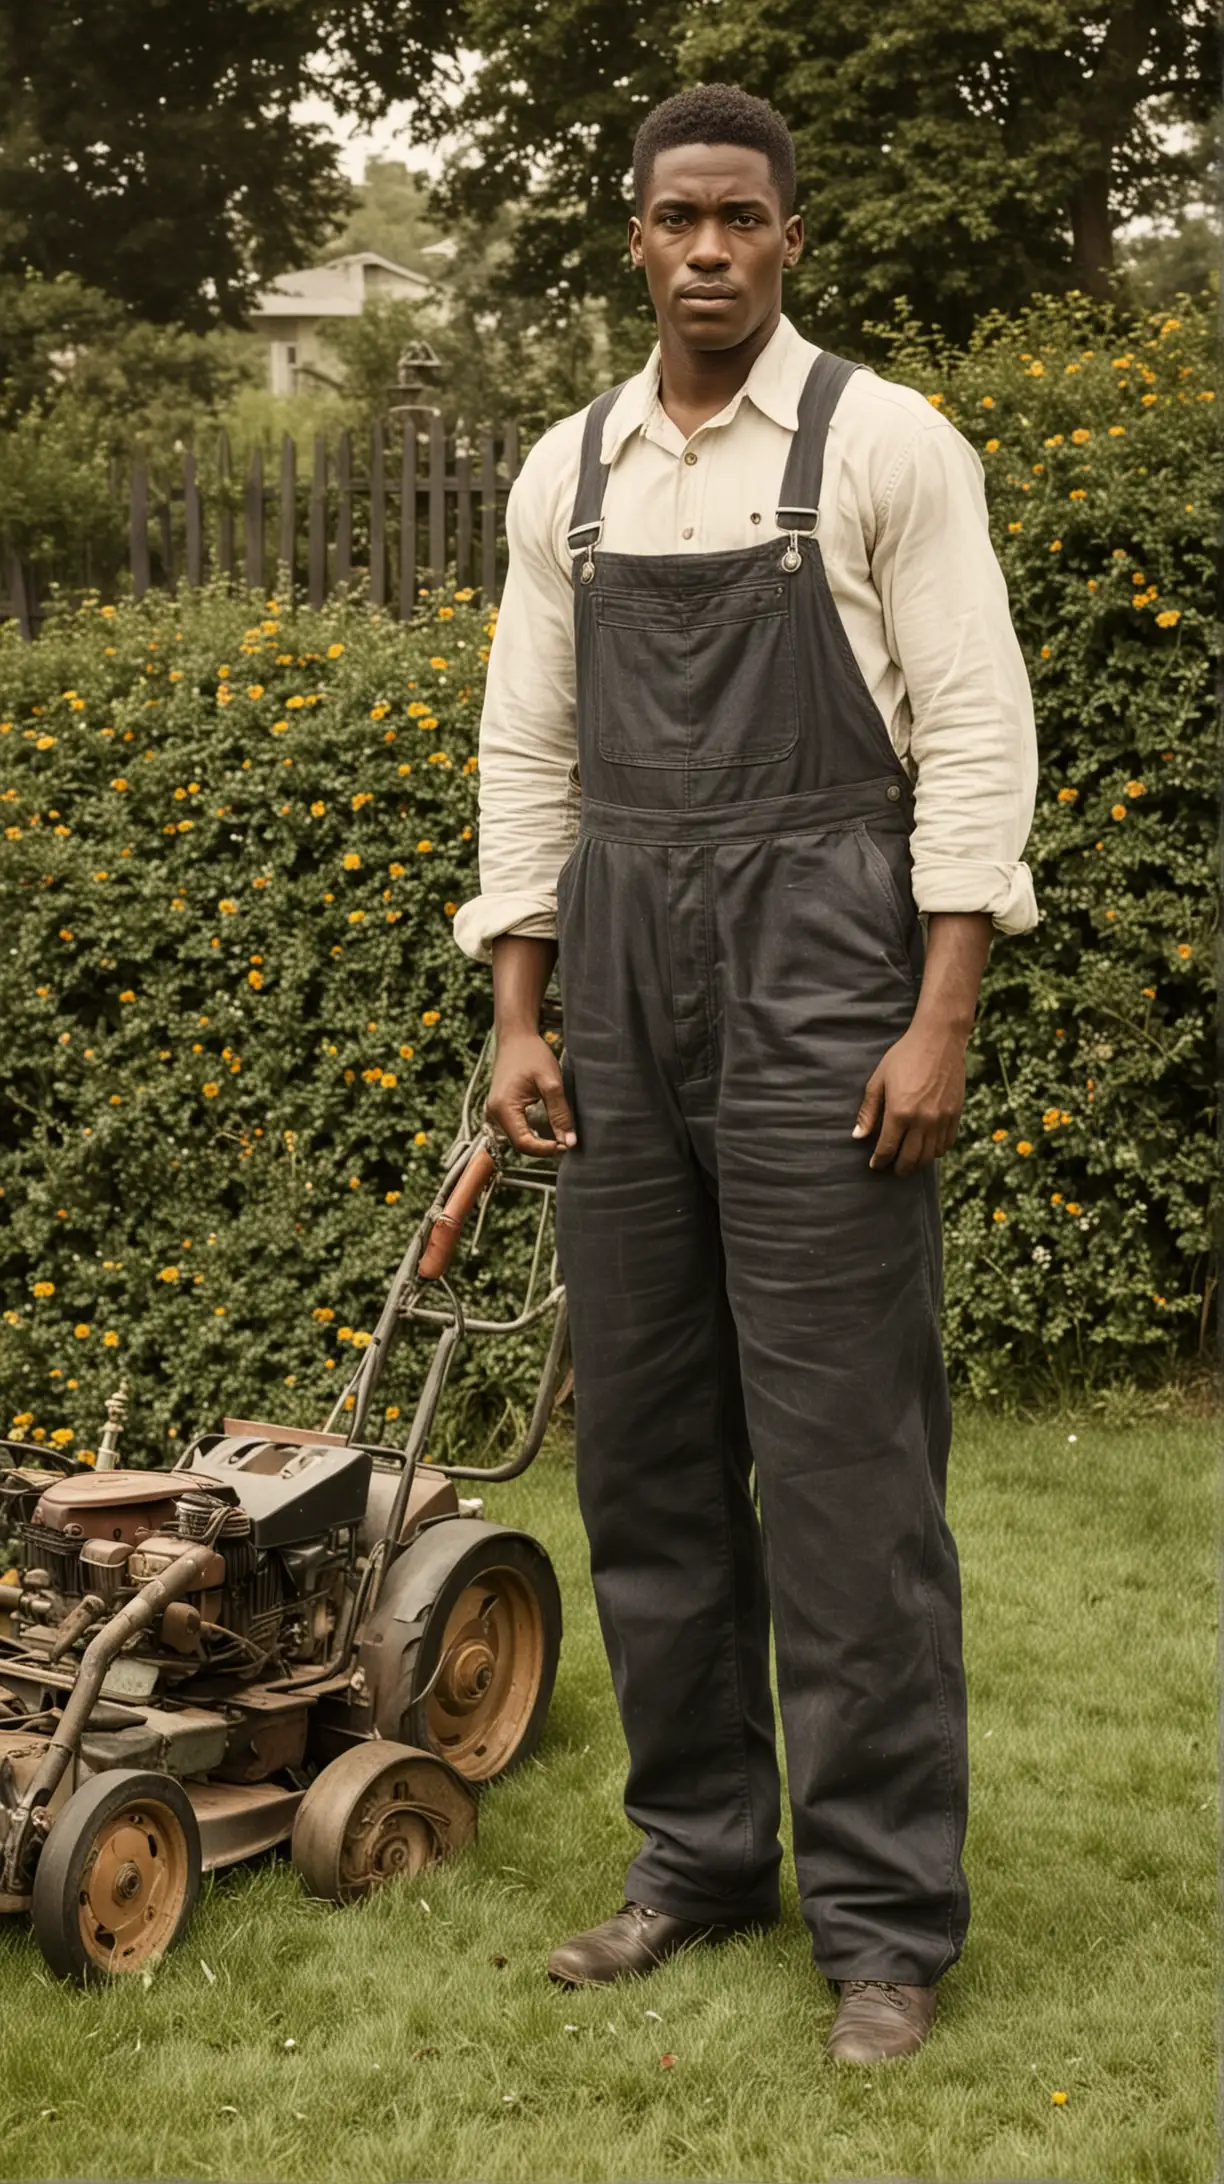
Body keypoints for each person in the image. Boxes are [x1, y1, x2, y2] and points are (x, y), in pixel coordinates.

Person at [453, 82, 1037, 2066]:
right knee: (647, 1448)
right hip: (614, 969)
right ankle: (697, 1858)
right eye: (677, 219)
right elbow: (527, 761)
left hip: (823, 962)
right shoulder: (573, 476)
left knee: (854, 1470)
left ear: (791, 239)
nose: (710, 250)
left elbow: (973, 737)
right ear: (634, 236)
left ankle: (884, 1924)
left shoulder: (887, 446)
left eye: (744, 221)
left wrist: (938, 1013)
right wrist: (522, 1009)